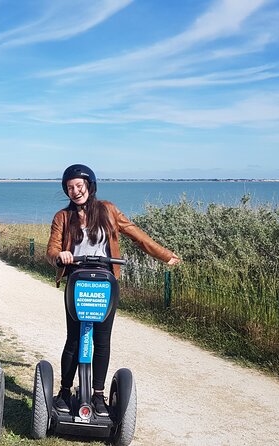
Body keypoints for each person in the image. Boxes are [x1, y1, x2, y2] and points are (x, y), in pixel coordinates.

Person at [47, 164, 181, 417]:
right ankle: (65, 391)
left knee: (102, 340)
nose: (75, 191)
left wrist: (164, 255)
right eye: (70, 188)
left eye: (79, 186)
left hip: (106, 282)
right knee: (74, 338)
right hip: (78, 281)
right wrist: (60, 256)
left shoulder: (108, 210)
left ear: (90, 186)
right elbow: (52, 249)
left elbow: (136, 235)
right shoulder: (62, 218)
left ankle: (98, 395)